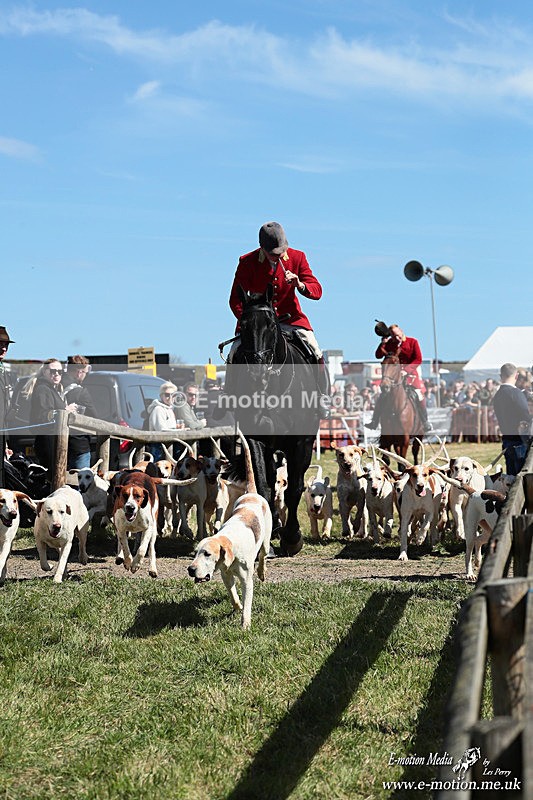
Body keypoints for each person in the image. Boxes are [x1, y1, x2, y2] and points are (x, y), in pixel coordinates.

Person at [228, 221, 323, 362]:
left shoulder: (298, 257)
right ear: (262, 248)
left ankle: (321, 377)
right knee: (233, 354)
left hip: (291, 321)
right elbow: (235, 300)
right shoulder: (247, 262)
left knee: (315, 351)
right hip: (257, 326)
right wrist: (250, 322)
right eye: (274, 254)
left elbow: (317, 291)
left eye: (282, 251)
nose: (279, 256)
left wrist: (300, 285)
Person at [369, 323, 431, 432]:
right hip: (394, 378)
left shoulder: (413, 342)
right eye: (394, 336)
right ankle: (374, 421)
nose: (397, 338)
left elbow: (418, 359)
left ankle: (425, 421)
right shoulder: (390, 343)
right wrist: (382, 344)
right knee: (382, 397)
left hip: (410, 377)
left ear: (401, 331)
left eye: (398, 335)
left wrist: (406, 370)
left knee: (419, 396)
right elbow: (378, 355)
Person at [25, 359, 77, 471]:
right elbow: (42, 415)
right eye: (53, 371)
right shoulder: (43, 389)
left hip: (53, 440)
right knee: (53, 475)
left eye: (60, 371)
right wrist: (65, 409)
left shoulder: (50, 388)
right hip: (48, 441)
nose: (57, 374)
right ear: (44, 372)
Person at [492, 363, 532, 475]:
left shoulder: (497, 395)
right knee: (521, 478)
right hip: (519, 442)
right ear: (516, 376)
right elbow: (525, 416)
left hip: (507, 440)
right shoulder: (516, 393)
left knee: (511, 476)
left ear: (501, 376)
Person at [63, 355, 98, 469]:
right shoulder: (81, 393)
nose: (85, 376)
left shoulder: (55, 385)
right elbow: (94, 416)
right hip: (78, 444)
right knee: (80, 478)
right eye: (85, 373)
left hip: (56, 442)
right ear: (79, 372)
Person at [146, 381, 182, 460]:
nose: (170, 397)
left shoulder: (170, 409)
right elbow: (161, 430)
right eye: (167, 395)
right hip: (158, 448)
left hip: (169, 446)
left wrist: (177, 427)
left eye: (173, 395)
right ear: (161, 396)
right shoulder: (158, 409)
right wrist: (180, 431)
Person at [0, 326, 15, 485]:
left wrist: (4, 442)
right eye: (0, 344)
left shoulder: (3, 370)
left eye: (6, 345)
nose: (3, 348)